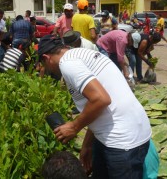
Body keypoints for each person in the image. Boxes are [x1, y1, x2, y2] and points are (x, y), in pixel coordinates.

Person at [38, 35, 151, 179]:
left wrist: (74, 126)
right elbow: (94, 108)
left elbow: (101, 99)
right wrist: (87, 145)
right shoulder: (81, 55)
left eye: (44, 65)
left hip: (123, 142)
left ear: (46, 58)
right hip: (118, 132)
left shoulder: (68, 64)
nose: (47, 70)